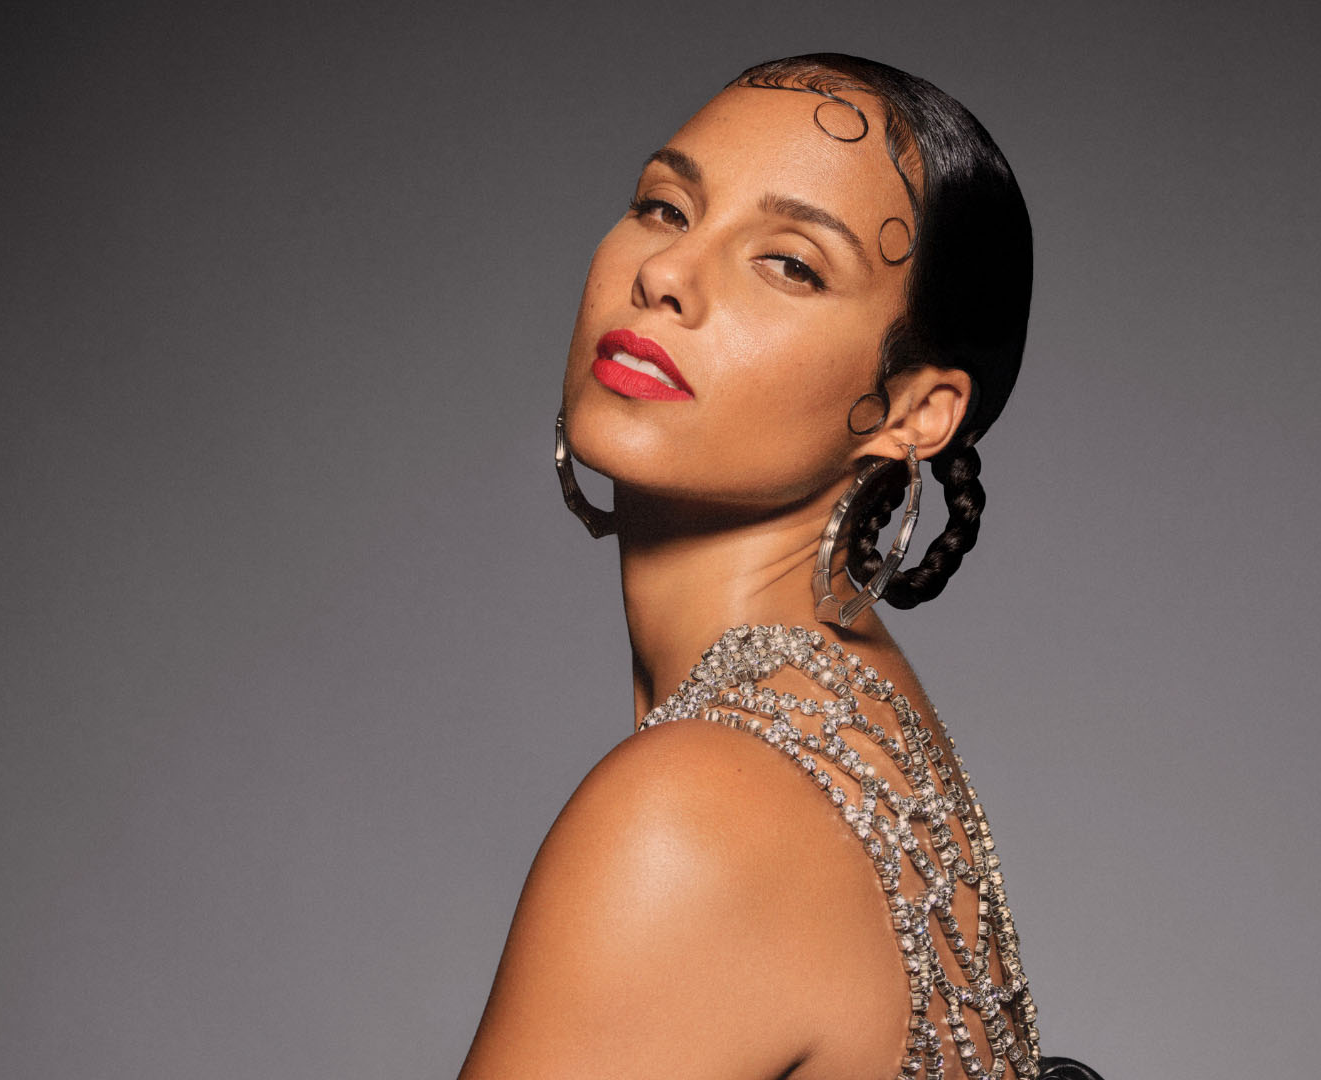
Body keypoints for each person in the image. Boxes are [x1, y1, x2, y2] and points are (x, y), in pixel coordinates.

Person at [459, 55, 1098, 1080]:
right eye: (665, 208)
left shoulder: (692, 814)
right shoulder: (847, 717)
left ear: (913, 412)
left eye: (792, 264)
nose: (666, 275)